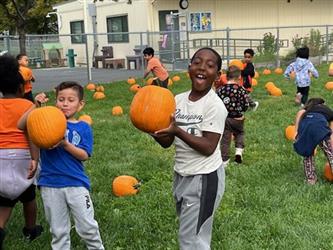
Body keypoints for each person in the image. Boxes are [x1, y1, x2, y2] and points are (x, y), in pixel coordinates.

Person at [151, 47, 228, 250]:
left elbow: (209, 147)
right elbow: (168, 142)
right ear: (189, 67)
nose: (202, 68)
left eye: (210, 66)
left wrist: (177, 131)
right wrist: (156, 132)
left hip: (204, 178)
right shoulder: (177, 100)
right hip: (182, 174)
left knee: (192, 241)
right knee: (191, 234)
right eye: (197, 62)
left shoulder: (214, 105)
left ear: (218, 75)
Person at [19, 81, 104, 250]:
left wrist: (65, 144)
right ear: (55, 101)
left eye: (71, 100)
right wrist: (34, 106)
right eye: (61, 99)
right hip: (50, 184)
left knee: (87, 226)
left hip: (76, 184)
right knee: (58, 230)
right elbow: (21, 125)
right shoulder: (45, 122)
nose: (65, 103)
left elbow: (84, 155)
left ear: (80, 105)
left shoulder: (83, 127)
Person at [0, 55, 42, 249]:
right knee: (29, 197)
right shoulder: (27, 106)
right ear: (20, 88)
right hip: (22, 156)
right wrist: (35, 158)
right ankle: (31, 228)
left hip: (1, 156)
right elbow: (32, 135)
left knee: (3, 200)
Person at [293, 98, 333, 185]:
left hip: (306, 129)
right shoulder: (327, 110)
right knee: (330, 153)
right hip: (320, 128)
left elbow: (298, 128)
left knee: (308, 154)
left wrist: (298, 139)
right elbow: (331, 129)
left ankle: (311, 179)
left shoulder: (305, 111)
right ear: (321, 104)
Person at [216, 65, 250, 165]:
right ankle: (238, 152)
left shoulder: (221, 90)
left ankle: (225, 160)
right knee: (240, 133)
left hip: (226, 119)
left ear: (226, 77)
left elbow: (217, 104)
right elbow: (245, 104)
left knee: (225, 139)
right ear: (239, 77)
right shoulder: (241, 90)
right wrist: (243, 110)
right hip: (238, 118)